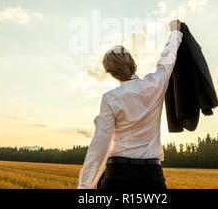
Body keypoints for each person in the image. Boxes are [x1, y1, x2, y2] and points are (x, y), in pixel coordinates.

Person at [77, 19, 183, 189]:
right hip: (152, 176)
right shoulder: (156, 84)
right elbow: (167, 61)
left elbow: (100, 144)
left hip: (118, 176)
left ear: (111, 73)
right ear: (132, 62)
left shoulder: (110, 98)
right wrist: (175, 33)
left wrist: (84, 186)